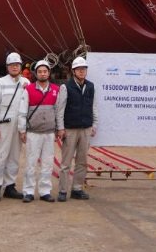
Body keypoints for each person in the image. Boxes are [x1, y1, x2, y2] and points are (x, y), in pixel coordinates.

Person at [0, 51, 29, 201]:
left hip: (19, 125)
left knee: (14, 157)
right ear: (7, 67)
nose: (14, 67)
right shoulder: (0, 83)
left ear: (21, 66)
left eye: (17, 65)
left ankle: (10, 186)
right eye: (12, 65)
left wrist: (25, 128)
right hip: (3, 125)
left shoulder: (26, 83)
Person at [18, 59, 61, 202]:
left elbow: (58, 111)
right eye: (40, 71)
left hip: (49, 133)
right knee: (30, 163)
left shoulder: (56, 90)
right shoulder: (28, 90)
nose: (43, 74)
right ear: (35, 74)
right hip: (33, 133)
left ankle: (45, 191)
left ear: (49, 73)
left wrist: (58, 129)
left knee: (47, 164)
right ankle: (28, 191)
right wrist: (22, 130)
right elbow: (22, 111)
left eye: (45, 71)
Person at [57, 55, 98, 202]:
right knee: (66, 162)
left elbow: (93, 106)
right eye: (78, 69)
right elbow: (60, 109)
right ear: (73, 71)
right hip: (70, 129)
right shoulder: (66, 87)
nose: (81, 71)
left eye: (83, 69)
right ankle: (62, 190)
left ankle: (77, 189)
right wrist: (60, 128)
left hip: (86, 128)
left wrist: (94, 124)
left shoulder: (91, 86)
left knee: (82, 161)